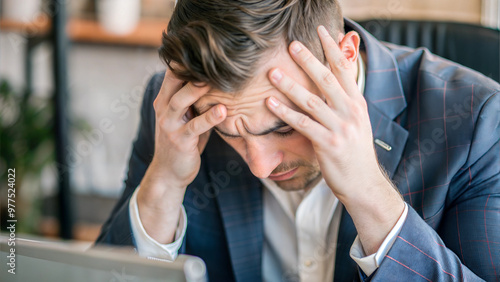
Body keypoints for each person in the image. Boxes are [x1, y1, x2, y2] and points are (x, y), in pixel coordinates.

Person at [96, 0, 500, 281]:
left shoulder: (476, 123)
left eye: (283, 127)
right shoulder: (180, 114)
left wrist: (368, 193)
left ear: (343, 57)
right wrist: (164, 181)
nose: (260, 166)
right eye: (228, 133)